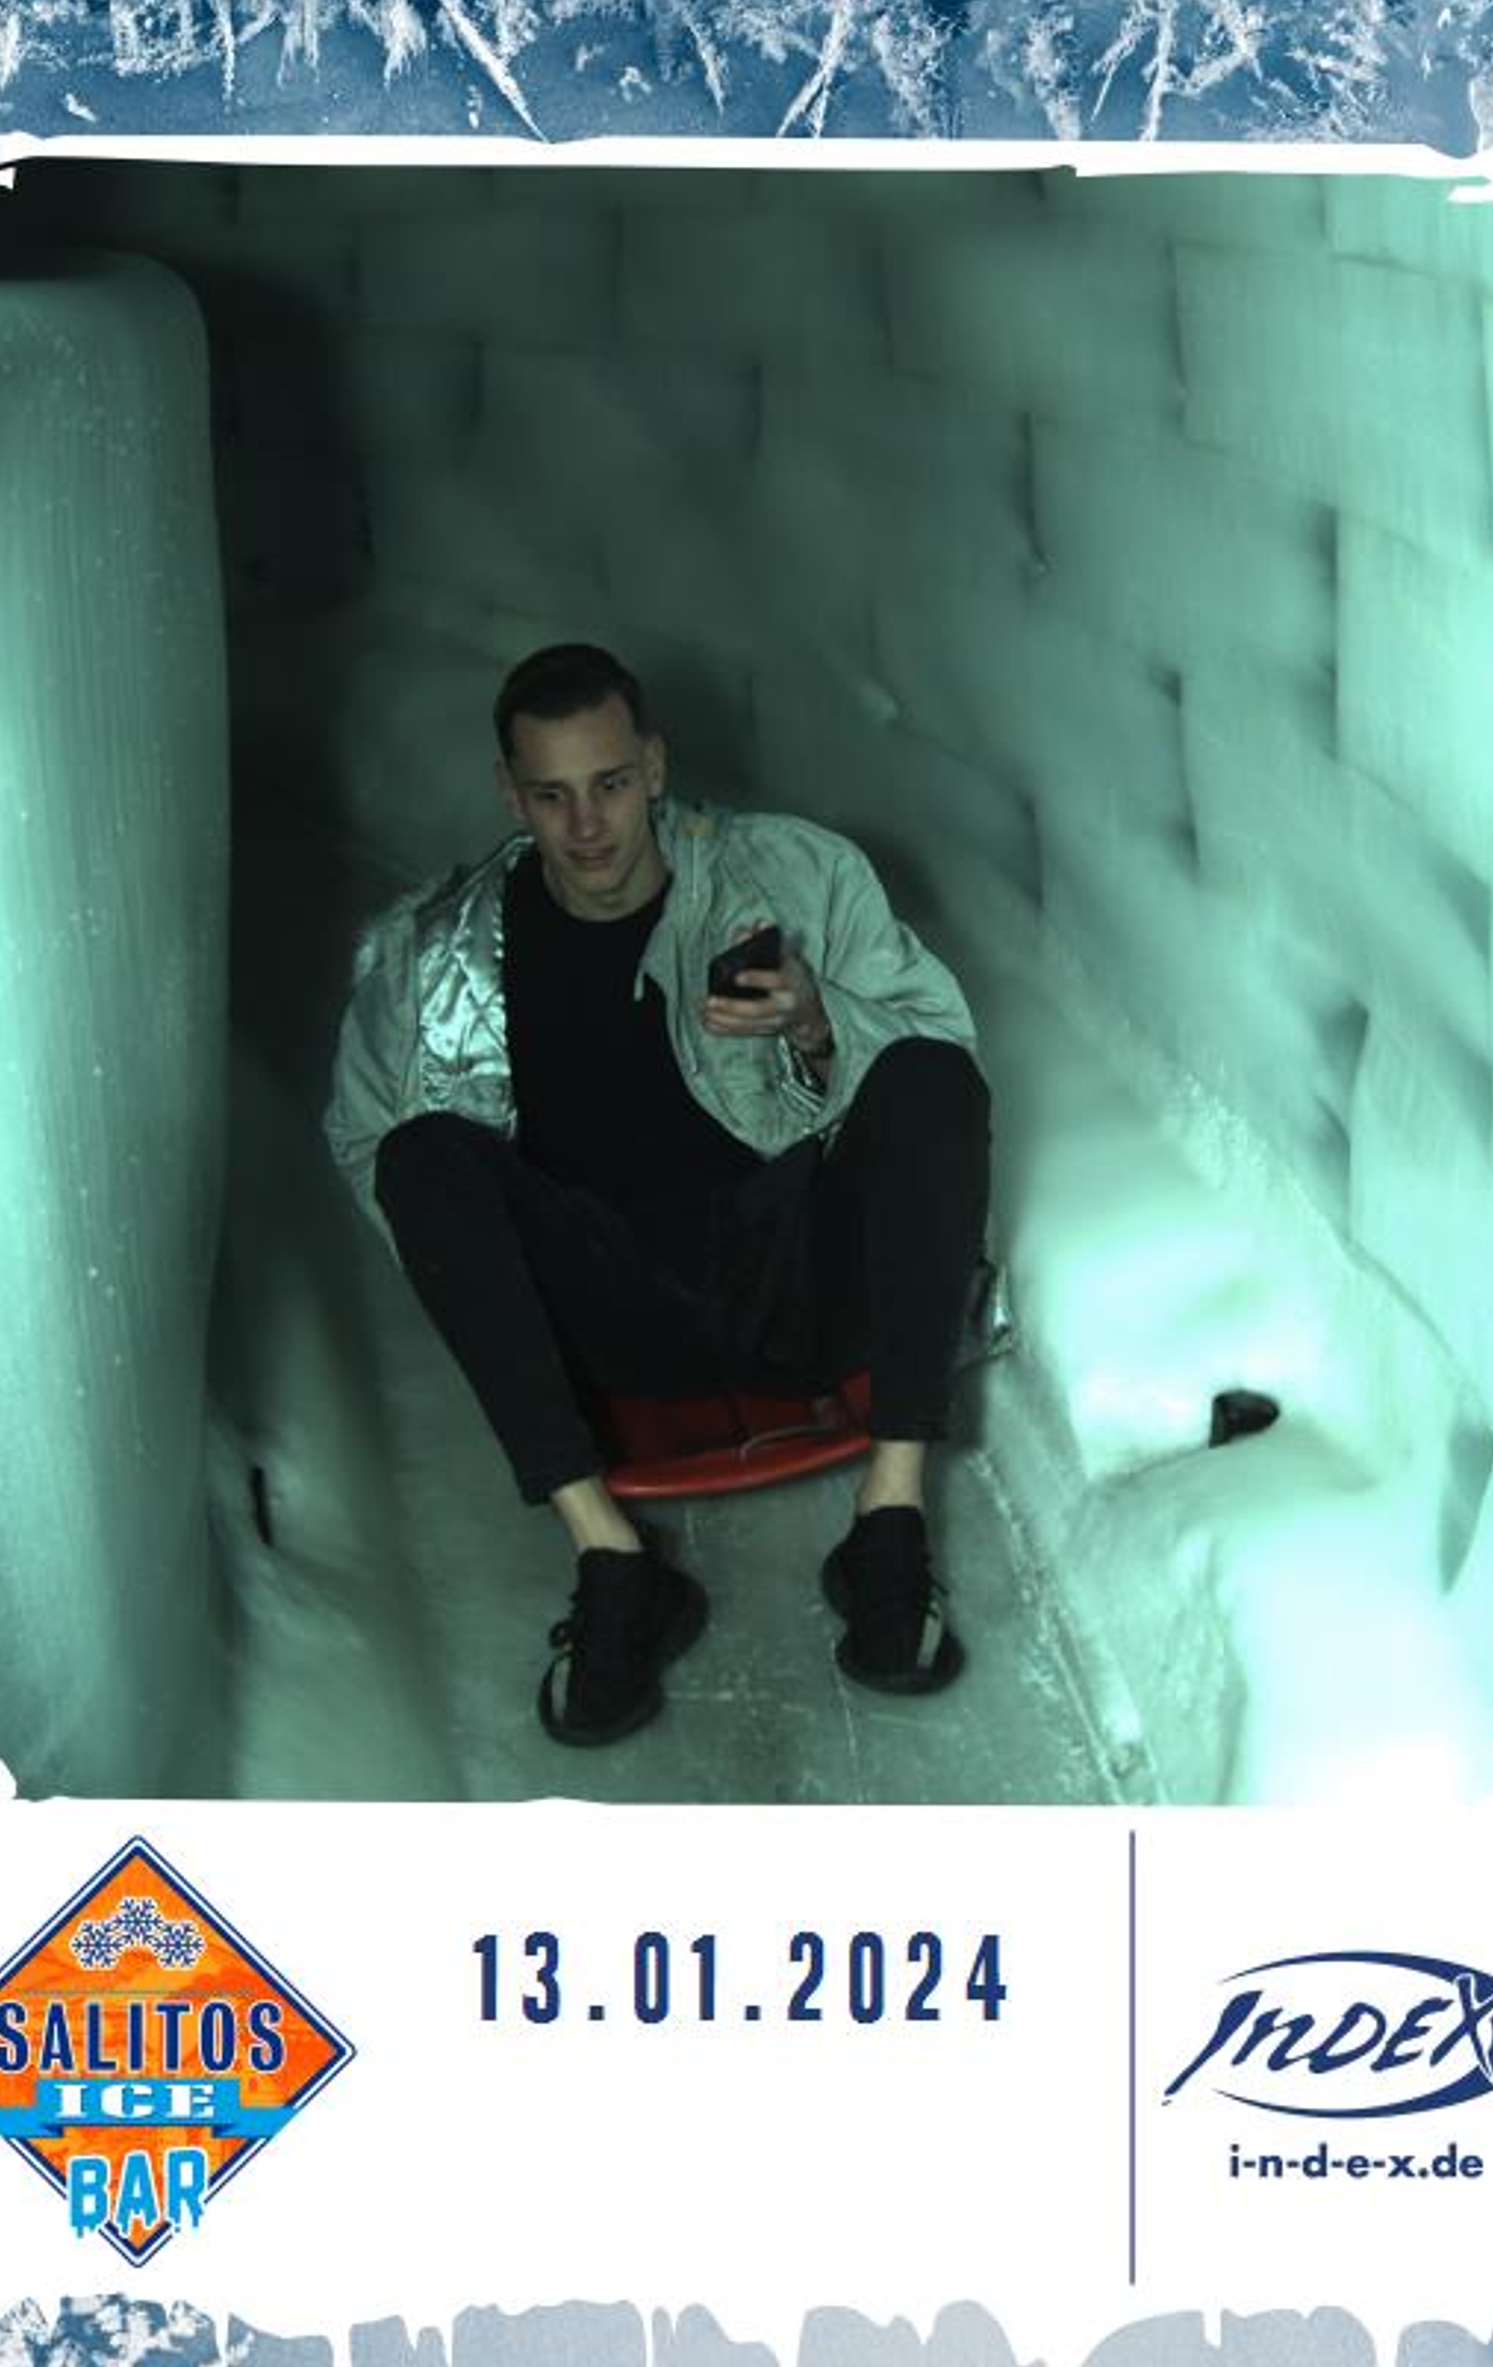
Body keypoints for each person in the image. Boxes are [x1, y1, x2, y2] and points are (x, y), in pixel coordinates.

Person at [326, 642, 993, 1747]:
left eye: (610, 783)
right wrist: (495, 1285)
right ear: (510, 795)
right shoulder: (438, 958)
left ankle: (889, 1522)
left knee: (927, 1076)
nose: (587, 825)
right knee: (418, 1154)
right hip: (610, 1315)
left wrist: (816, 1023)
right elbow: (364, 1144)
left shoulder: (788, 876)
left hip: (793, 1283)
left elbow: (941, 1055)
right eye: (552, 795)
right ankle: (611, 1558)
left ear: (654, 768)